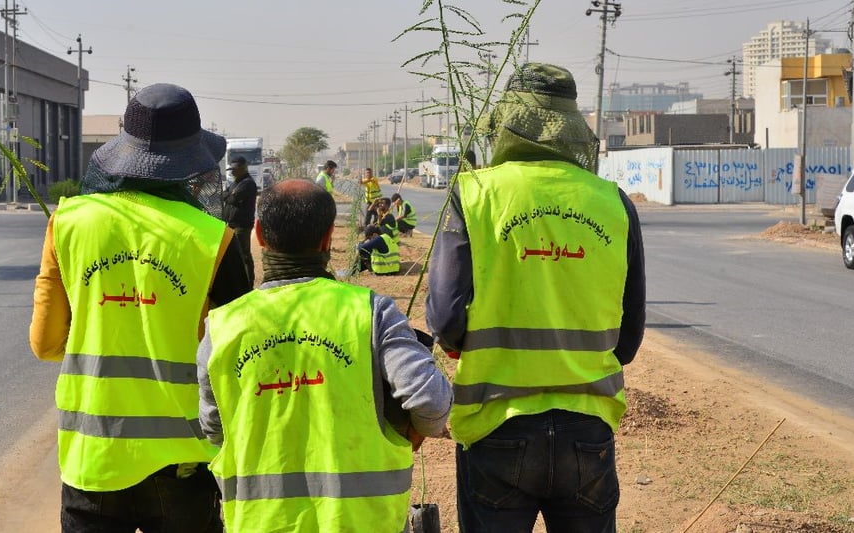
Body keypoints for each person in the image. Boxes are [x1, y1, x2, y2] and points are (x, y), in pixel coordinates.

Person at [426, 63, 646, 532]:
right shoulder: (614, 202)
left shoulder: (474, 193)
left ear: (507, 123)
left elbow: (445, 319)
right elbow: (627, 343)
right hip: (588, 430)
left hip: (495, 424)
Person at [30, 83, 252, 533]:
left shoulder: (68, 223)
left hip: (93, 460)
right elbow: (236, 362)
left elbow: (47, 344)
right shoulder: (213, 240)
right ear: (191, 162)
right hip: (185, 466)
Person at [197, 179, 452, 532]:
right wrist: (416, 432)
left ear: (258, 233)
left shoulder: (222, 326)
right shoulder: (369, 312)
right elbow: (430, 399)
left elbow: (214, 430)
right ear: (328, 237)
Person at [224, 156, 257, 288]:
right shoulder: (235, 183)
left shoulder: (248, 183)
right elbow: (225, 195)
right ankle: (237, 282)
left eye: (235, 169)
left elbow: (232, 199)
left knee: (244, 255)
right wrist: (230, 195)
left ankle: (248, 284)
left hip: (241, 225)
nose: (232, 172)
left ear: (243, 169)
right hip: (231, 224)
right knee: (234, 255)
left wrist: (229, 196)